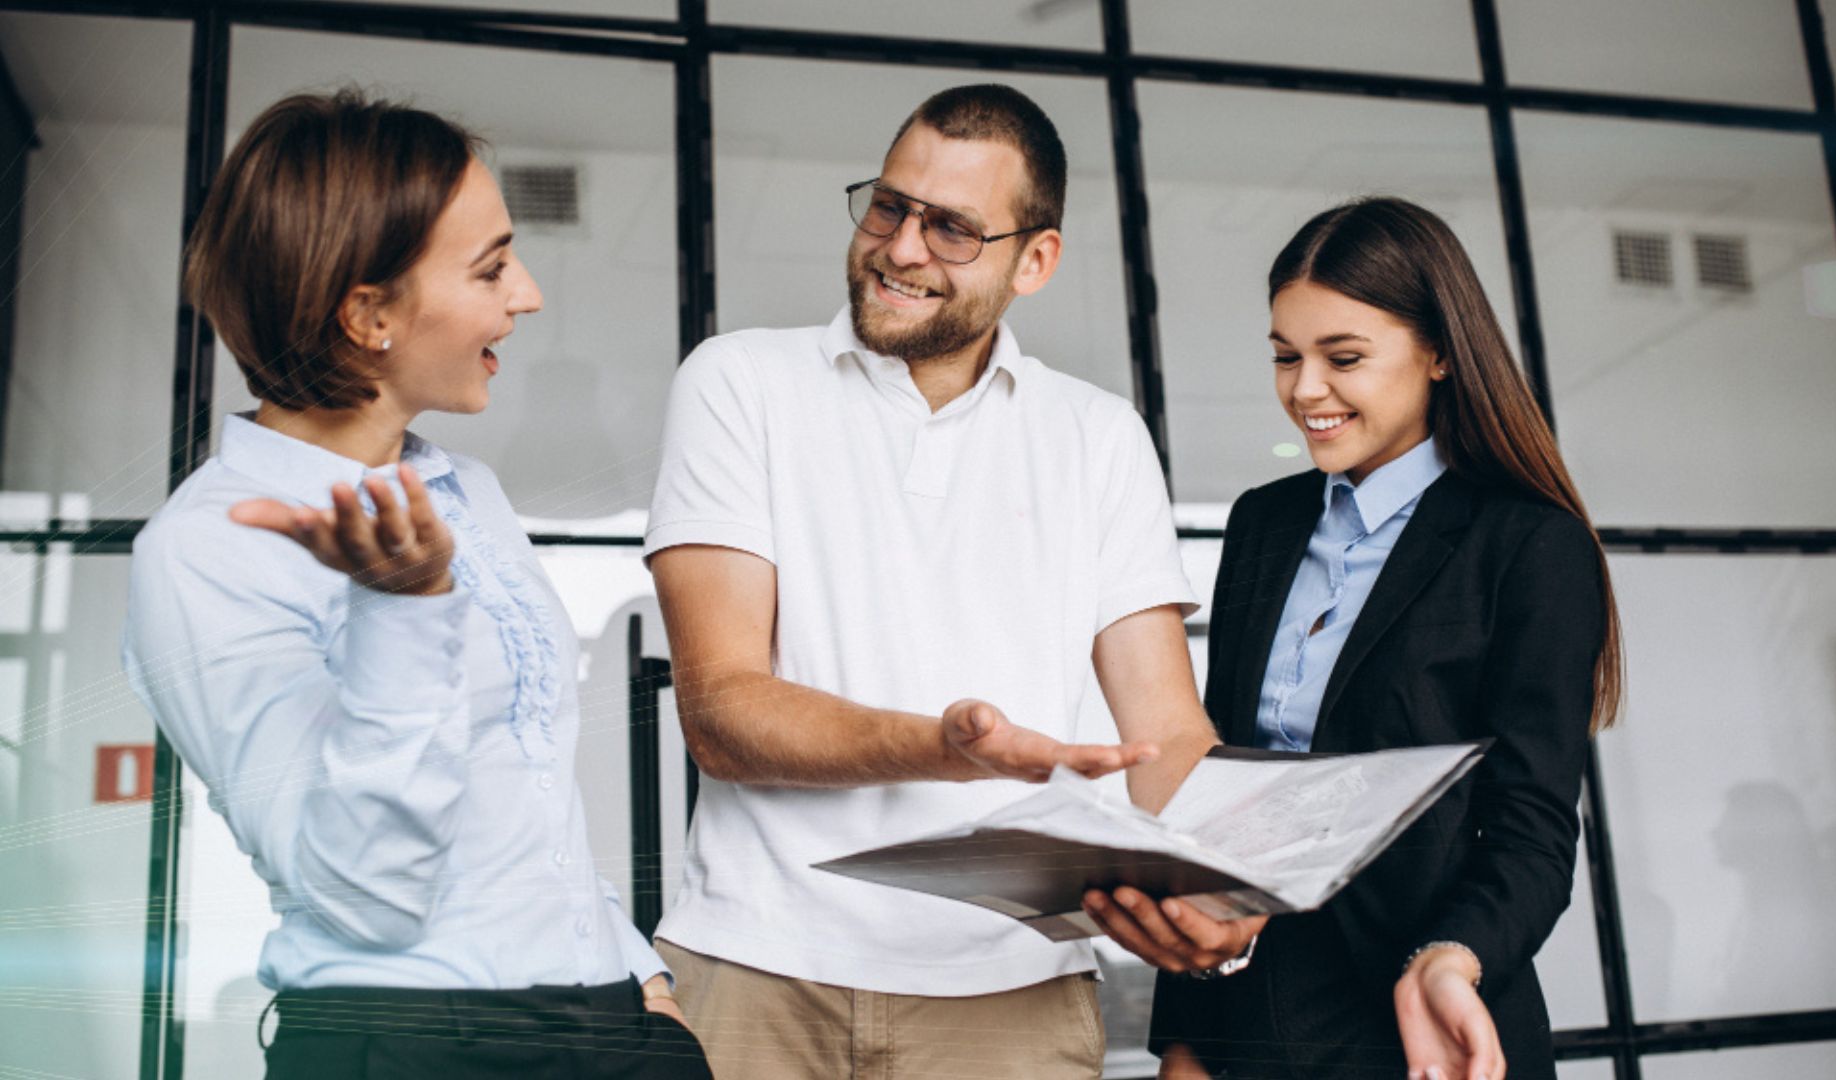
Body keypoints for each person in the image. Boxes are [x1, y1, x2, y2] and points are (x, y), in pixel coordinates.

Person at [121, 90, 710, 1080]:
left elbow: (519, 789)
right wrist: (402, 610)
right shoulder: (204, 551)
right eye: (490, 269)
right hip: (417, 1043)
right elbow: (363, 889)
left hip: (610, 1021)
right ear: (368, 315)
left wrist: (640, 986)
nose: (527, 295)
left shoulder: (462, 489)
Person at [643, 83, 1220, 1078]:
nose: (902, 248)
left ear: (1035, 260)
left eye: (953, 228)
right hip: (755, 973)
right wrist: (947, 749)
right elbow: (721, 713)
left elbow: (1163, 735)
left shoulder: (1099, 437)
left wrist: (1229, 899)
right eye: (890, 205)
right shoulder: (738, 384)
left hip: (1013, 1001)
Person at [1084, 197, 1623, 1080]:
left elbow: (1530, 831)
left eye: (1343, 358)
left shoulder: (1528, 544)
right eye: (1285, 357)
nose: (1305, 390)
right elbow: (1225, 790)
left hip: (1417, 1019)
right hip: (1246, 1017)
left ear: (1441, 352)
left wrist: (1452, 957)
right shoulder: (1264, 523)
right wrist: (1187, 1038)